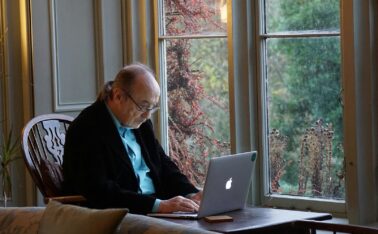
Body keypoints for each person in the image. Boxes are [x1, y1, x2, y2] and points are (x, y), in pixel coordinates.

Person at [63, 63, 202, 214]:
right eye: (143, 106)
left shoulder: (141, 123)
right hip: (121, 215)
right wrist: (159, 206)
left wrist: (192, 194)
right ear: (118, 96)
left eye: (152, 107)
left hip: (156, 209)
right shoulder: (86, 129)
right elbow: (100, 191)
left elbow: (164, 165)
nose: (147, 115)